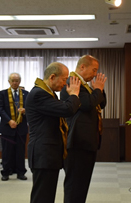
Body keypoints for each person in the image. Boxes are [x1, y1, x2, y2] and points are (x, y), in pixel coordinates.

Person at [25, 62, 81, 203]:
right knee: (42, 197)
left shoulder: (48, 93)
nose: (65, 83)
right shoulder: (39, 94)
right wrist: (74, 94)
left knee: (47, 196)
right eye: (64, 79)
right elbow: (67, 110)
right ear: (52, 77)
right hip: (43, 153)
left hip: (48, 153)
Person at [60, 55, 107, 203]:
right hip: (77, 141)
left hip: (87, 141)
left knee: (82, 183)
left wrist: (99, 90)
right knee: (75, 184)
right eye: (94, 70)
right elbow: (86, 104)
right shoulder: (72, 82)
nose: (95, 74)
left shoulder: (85, 85)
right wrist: (97, 90)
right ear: (82, 67)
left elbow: (101, 103)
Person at [0, 73, 29, 181]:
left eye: (17, 80)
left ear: (20, 82)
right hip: (7, 127)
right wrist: (9, 121)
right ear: (9, 82)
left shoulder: (26, 94)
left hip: (21, 127)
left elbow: (31, 108)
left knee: (20, 151)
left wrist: (25, 111)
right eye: (13, 80)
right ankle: (6, 172)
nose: (15, 82)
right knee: (7, 151)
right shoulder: (3, 94)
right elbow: (0, 109)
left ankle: (21, 172)